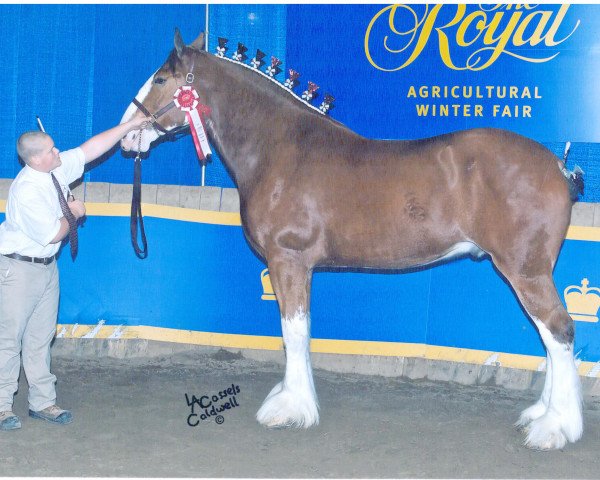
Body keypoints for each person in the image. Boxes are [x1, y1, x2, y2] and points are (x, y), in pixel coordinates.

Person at [0, 116, 149, 431]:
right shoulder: (27, 190)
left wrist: (129, 125)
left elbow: (88, 150)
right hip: (18, 270)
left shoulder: (53, 169)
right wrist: (76, 212)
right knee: (7, 340)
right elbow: (54, 234)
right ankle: (1, 407)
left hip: (45, 268)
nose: (58, 153)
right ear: (35, 158)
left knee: (41, 338)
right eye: (52, 150)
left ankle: (42, 403)